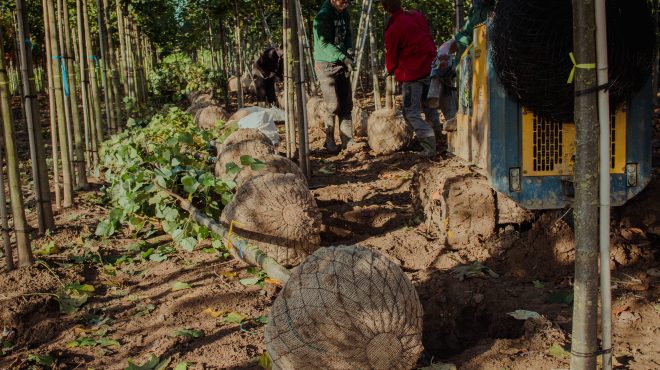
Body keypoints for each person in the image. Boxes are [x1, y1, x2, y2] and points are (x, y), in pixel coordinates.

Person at [380, 0, 440, 157]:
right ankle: (439, 138)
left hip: (412, 74)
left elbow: (391, 56)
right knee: (429, 107)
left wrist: (390, 69)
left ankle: (429, 144)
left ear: (385, 8)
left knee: (410, 112)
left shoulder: (393, 29)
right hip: (431, 68)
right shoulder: (416, 15)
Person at [313, 0, 354, 154]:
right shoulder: (323, 16)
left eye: (348, 2)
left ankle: (348, 141)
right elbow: (324, 43)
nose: (345, 4)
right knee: (332, 105)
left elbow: (348, 35)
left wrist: (349, 50)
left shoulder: (344, 13)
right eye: (343, 1)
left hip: (342, 61)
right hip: (325, 64)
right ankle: (329, 140)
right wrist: (342, 57)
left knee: (346, 104)